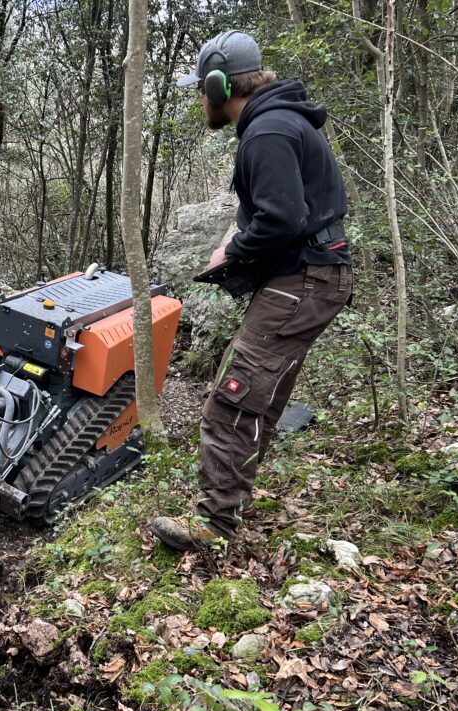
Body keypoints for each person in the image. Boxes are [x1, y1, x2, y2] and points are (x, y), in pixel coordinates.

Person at [149, 30, 353, 551]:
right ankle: (231, 501)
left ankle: (213, 525)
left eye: (201, 90)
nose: (200, 100)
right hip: (313, 278)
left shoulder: (266, 132)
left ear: (219, 87)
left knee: (232, 399)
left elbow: (283, 218)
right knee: (261, 398)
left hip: (301, 281)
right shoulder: (281, 122)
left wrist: (232, 251)